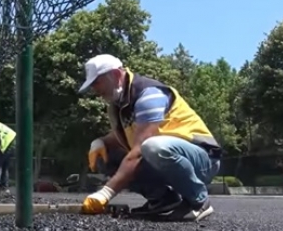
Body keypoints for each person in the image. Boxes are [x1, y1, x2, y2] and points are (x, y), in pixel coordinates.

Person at [78, 54, 222, 221]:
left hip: (202, 159)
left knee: (151, 147)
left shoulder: (148, 95)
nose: (95, 90)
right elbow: (124, 137)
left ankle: (199, 200)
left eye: (97, 82)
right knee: (106, 155)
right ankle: (163, 199)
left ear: (116, 75)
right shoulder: (120, 105)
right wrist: (100, 142)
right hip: (168, 157)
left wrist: (105, 193)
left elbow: (140, 148)